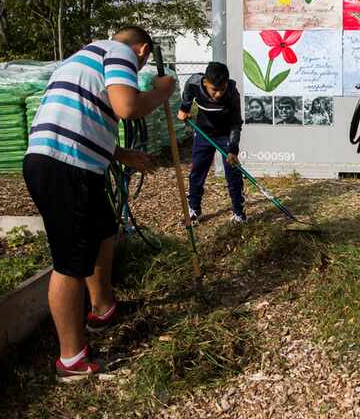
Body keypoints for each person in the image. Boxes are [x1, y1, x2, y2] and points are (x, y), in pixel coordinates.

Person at [23, 26, 175, 382]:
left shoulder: (80, 58)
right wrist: (159, 92)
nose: (140, 69)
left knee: (105, 229)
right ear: (143, 50)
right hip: (66, 167)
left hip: (63, 162)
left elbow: (80, 119)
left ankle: (103, 309)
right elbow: (127, 106)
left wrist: (122, 155)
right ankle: (71, 361)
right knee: (71, 261)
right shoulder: (120, 52)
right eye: (145, 62)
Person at [177, 62, 246, 226]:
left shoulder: (231, 93)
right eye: (214, 90)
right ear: (205, 82)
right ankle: (194, 210)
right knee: (197, 171)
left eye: (222, 89)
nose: (218, 94)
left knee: (233, 174)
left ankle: (239, 212)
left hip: (225, 135)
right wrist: (184, 108)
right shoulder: (194, 83)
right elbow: (187, 96)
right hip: (203, 133)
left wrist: (233, 149)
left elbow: (236, 123)